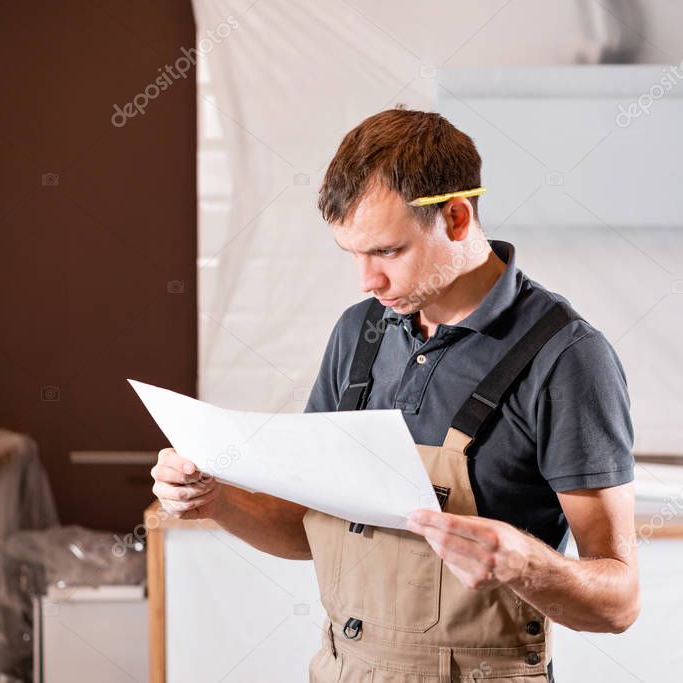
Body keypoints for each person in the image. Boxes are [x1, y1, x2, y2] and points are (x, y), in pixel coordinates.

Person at [151, 107, 639, 681]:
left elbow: (619, 602)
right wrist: (215, 498)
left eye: (387, 252)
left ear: (456, 218)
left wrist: (525, 563)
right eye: (353, 255)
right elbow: (308, 528)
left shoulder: (568, 358)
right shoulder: (360, 332)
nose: (367, 281)